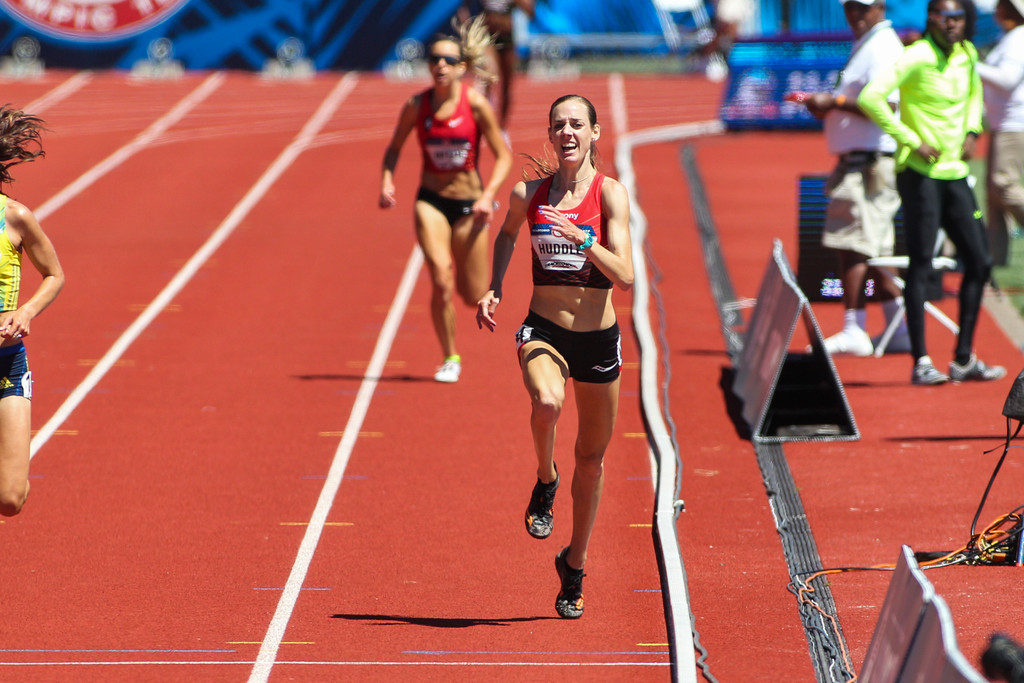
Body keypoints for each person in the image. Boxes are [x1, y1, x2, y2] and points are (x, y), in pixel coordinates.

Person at [476, 94, 633, 618]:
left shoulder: (611, 197)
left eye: (576, 125)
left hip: (597, 341)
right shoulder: (529, 194)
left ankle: (575, 563)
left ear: (594, 133)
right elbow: (505, 235)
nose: (566, 133)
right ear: (551, 135)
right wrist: (494, 285)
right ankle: (545, 478)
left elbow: (627, 277)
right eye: (558, 126)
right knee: (546, 402)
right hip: (543, 328)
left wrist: (584, 239)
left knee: (591, 460)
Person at [858, 0, 1006, 385]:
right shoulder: (916, 56)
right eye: (946, 18)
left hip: (955, 173)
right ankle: (921, 360)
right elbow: (871, 97)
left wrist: (973, 130)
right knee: (921, 264)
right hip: (920, 174)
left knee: (979, 261)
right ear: (932, 20)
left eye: (959, 18)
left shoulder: (967, 53)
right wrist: (911, 139)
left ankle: (963, 358)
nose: (954, 24)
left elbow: (974, 94)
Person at [380, 16, 512, 383]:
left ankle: (460, 320)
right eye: (434, 59)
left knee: (472, 295)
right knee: (440, 278)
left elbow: (504, 156)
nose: (440, 66)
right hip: (431, 201)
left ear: (463, 68)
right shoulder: (416, 106)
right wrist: (387, 180)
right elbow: (393, 149)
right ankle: (450, 357)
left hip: (471, 207)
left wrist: (488, 197)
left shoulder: (475, 106)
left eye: (449, 61)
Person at [796, 0, 909, 357]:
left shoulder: (883, 46)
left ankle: (855, 327)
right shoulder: (869, 43)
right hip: (863, 158)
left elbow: (886, 105)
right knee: (874, 247)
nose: (855, 14)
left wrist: (834, 102)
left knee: (855, 244)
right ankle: (899, 327)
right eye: (850, 8)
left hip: (869, 162)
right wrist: (829, 105)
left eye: (862, 7)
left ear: (880, 6)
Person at [0, 106, 65, 516]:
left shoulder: (15, 217)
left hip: (5, 364)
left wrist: (25, 312)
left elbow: (54, 275)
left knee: (10, 499)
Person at [978, 0, 1024, 267]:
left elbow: (1007, 79)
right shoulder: (1009, 37)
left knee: (1003, 185)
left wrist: (971, 65)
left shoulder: (1018, 39)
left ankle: (992, 257)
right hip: (1002, 123)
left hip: (1014, 123)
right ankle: (993, 259)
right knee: (993, 194)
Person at [458, 0, 536, 129]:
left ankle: (502, 126)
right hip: (487, 37)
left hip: (507, 38)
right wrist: (467, 28)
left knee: (507, 85)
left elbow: (531, 12)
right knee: (490, 75)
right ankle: (483, 120)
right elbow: (463, 8)